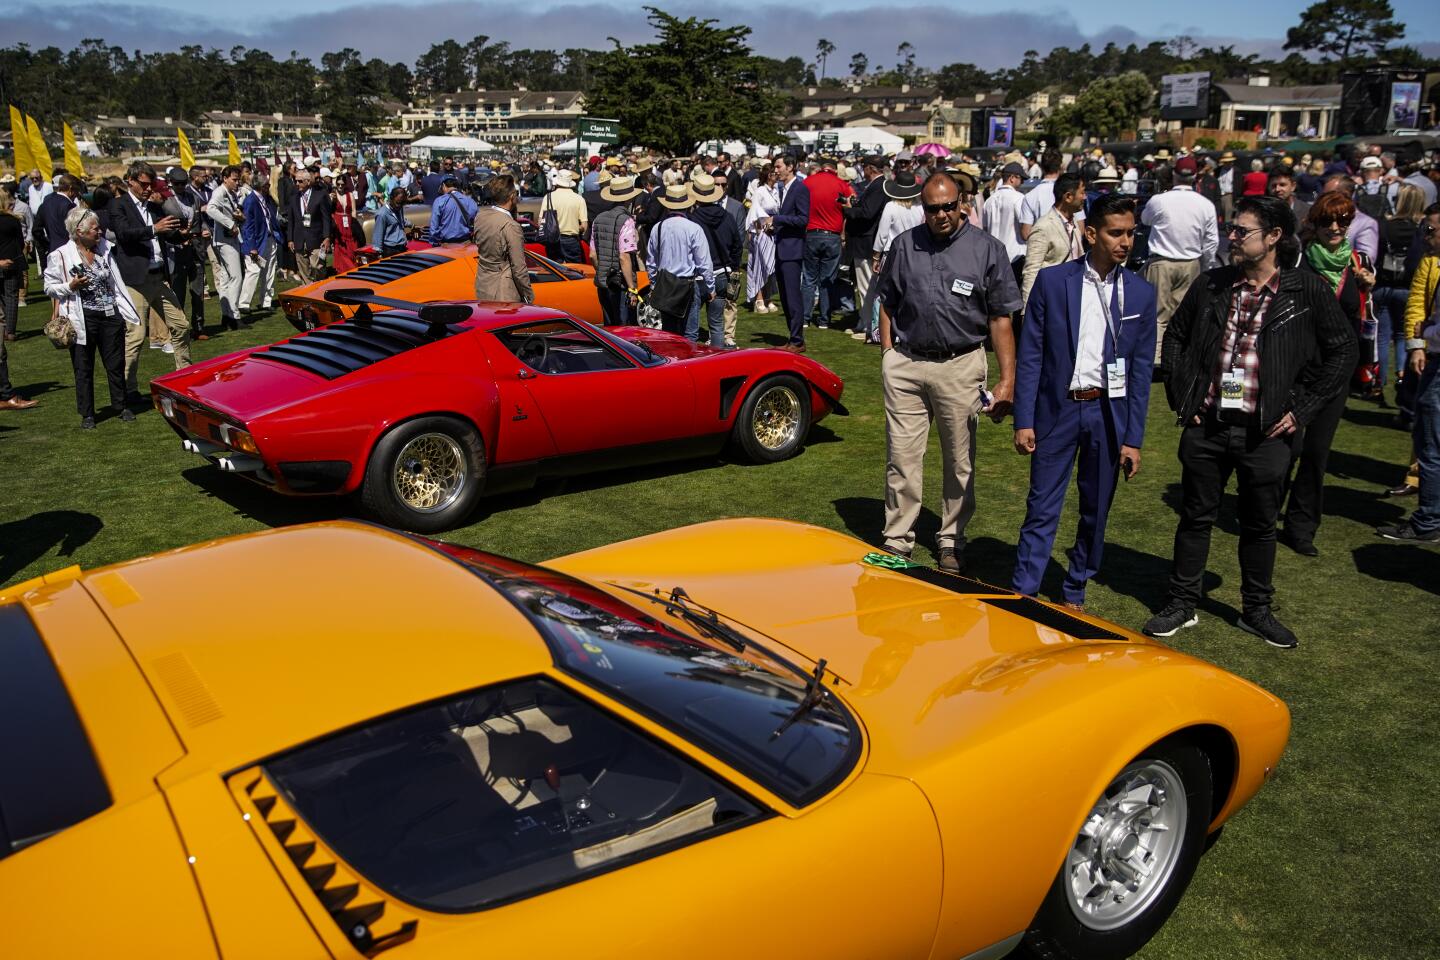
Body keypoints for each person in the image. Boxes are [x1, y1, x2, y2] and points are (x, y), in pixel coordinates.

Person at [1145, 195, 1356, 648]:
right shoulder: (1214, 284)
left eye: (1243, 231)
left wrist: (1301, 409)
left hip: (1266, 432)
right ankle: (1182, 602)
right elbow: (1177, 339)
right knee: (1195, 516)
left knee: (1259, 524)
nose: (1233, 238)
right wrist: (1186, 396)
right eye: (1233, 229)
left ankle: (1256, 609)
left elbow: (1343, 351)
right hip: (1209, 425)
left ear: (1274, 237)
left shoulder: (1307, 290)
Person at [1012, 193, 1158, 609]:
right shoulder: (1054, 281)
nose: (1125, 242)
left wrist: (1133, 438)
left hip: (1108, 415)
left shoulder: (1141, 294)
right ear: (1090, 233)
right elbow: (1032, 355)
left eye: (1131, 233)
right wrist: (1025, 419)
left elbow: (1141, 372)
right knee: (1042, 507)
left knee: (1096, 510)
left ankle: (1075, 587)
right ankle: (1023, 590)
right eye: (1116, 233)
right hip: (1056, 412)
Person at [874, 170, 1022, 572]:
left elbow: (1001, 319)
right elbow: (887, 300)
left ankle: (951, 539)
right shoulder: (905, 245)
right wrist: (888, 353)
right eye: (932, 208)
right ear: (923, 208)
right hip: (906, 364)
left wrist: (1007, 380)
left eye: (947, 207)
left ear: (961, 205)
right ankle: (897, 538)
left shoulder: (987, 249)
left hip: (961, 365)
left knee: (959, 460)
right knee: (902, 457)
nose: (940, 214)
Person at [1276, 192, 1372, 557]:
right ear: (1314, 224)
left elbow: (1360, 318)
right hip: (1297, 368)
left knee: (1317, 452)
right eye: (1328, 221)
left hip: (1337, 371)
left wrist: (1366, 288)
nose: (1335, 228)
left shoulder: (1357, 264)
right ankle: (1266, 510)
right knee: (1289, 445)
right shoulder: (1299, 261)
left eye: (1343, 221)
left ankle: (1302, 526)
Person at [44, 206, 144, 428]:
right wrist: (70, 286)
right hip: (82, 318)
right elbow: (49, 287)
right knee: (83, 366)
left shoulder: (104, 249)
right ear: (79, 231)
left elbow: (114, 282)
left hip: (110, 316)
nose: (100, 232)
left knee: (115, 363)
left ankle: (121, 405)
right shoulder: (60, 255)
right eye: (95, 229)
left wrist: (123, 312)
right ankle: (87, 413)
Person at [1377, 202, 1440, 543]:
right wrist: (1417, 343)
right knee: (1427, 437)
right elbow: (1417, 301)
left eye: (1431, 230)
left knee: (1431, 442)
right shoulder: (1429, 262)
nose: (1425, 236)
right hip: (1432, 357)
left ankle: (1428, 521)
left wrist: (1425, 335)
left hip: (1437, 360)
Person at [109, 161, 192, 401]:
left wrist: (179, 235)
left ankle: (184, 376)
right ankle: (126, 389)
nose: (147, 189)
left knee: (181, 325)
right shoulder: (119, 205)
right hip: (135, 281)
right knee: (135, 335)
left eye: (151, 184)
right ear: (130, 181)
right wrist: (154, 228)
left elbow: (164, 234)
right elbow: (124, 235)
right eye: (143, 184)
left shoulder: (154, 207)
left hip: (158, 277)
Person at [1141, 155, 1219, 369]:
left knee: (1158, 313)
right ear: (1195, 177)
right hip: (1190, 262)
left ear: (1174, 174)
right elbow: (1211, 242)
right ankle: (1177, 356)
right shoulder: (1205, 205)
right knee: (1183, 313)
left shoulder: (1159, 200)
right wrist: (1207, 266)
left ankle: (1157, 359)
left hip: (1162, 261)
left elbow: (1145, 219)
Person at [1373, 183, 1425, 403]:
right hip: (1407, 287)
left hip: (1383, 285)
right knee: (1404, 336)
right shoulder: (1422, 229)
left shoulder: (1384, 226)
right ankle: (1403, 379)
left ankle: (1379, 384)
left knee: (1383, 338)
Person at [646, 184, 712, 339]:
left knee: (670, 333)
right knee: (690, 333)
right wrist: (710, 287)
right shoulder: (693, 228)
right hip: (687, 284)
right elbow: (704, 262)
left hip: (666, 284)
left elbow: (651, 261)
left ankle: (673, 361)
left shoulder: (657, 228)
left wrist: (654, 283)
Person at [799, 156, 854, 329]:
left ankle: (805, 318)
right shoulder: (841, 185)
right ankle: (824, 319)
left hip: (811, 234)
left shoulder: (808, 182)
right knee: (828, 280)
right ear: (835, 170)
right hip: (832, 236)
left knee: (809, 278)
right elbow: (852, 205)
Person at [762, 154, 810, 351]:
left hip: (792, 250)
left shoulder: (800, 188)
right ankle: (794, 337)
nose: (776, 170)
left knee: (792, 297)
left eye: (779, 166)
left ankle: (797, 340)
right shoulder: (784, 189)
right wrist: (774, 226)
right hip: (783, 247)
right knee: (785, 297)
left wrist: (777, 220)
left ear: (790, 167)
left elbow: (802, 219)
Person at [689, 173, 742, 348]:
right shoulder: (727, 217)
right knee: (717, 325)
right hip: (722, 274)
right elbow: (737, 245)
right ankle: (717, 362)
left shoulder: (693, 219)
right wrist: (733, 266)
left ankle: (690, 363)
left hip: (698, 276)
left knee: (692, 328)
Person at [1020, 171, 1086, 306]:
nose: (1084, 197)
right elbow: (1031, 272)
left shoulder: (1074, 224)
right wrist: (1027, 313)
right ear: (1068, 197)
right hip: (1054, 300)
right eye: (1082, 192)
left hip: (1075, 297)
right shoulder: (1043, 227)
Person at [471, 175, 534, 306]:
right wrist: (528, 295)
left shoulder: (481, 217)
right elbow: (519, 268)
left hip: (483, 285)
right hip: (504, 292)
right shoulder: (511, 226)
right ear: (512, 196)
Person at [588, 176, 642, 325]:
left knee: (608, 327)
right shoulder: (627, 221)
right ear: (628, 200)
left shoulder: (598, 218)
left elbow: (592, 255)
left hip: (603, 282)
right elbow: (624, 256)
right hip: (621, 284)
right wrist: (632, 288)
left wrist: (602, 270)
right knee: (623, 329)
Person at [205, 164, 248, 330]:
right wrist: (230, 223)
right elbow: (210, 209)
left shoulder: (229, 193)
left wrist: (238, 218)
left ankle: (226, 315)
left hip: (226, 239)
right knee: (236, 277)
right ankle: (234, 315)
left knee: (225, 279)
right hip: (225, 240)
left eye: (238, 180)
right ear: (225, 178)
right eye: (234, 179)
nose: (237, 183)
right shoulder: (219, 192)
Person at [239, 170, 281, 315]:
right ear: (261, 186)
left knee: (269, 271)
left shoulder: (265, 199)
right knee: (253, 271)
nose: (269, 187)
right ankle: (244, 303)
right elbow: (247, 226)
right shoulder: (251, 201)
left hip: (270, 239)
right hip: (257, 243)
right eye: (267, 185)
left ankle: (266, 301)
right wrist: (252, 247)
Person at [744, 163, 779, 315]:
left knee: (771, 267)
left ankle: (768, 297)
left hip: (774, 232)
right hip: (762, 232)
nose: (777, 175)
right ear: (768, 175)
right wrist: (758, 230)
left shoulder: (776, 190)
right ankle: (758, 298)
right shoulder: (760, 191)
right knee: (761, 265)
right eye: (774, 173)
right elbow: (755, 212)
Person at [982, 161, 1027, 277]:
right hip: (1014, 258)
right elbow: (1025, 228)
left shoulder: (989, 201)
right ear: (1012, 178)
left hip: (994, 258)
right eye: (1021, 179)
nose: (1022, 182)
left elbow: (985, 230)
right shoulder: (1020, 198)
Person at [287, 169, 331, 283]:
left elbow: (326, 218)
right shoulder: (294, 197)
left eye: (300, 181)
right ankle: (309, 293)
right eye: (295, 181)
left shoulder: (320, 196)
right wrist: (290, 239)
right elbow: (291, 220)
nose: (297, 184)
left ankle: (320, 286)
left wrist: (327, 237)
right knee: (303, 271)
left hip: (316, 239)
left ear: (307, 181)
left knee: (318, 267)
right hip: (299, 240)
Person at [540, 170, 588, 264]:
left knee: (555, 271)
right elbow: (584, 226)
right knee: (576, 271)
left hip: (552, 240)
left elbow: (541, 222)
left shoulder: (548, 197)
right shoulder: (579, 199)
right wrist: (573, 226)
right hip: (571, 240)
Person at [32, 174, 79, 268]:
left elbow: (36, 230)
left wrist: (47, 245)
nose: (76, 194)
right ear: (70, 189)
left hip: (53, 252)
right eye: (76, 191)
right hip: (70, 253)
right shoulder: (70, 206)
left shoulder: (45, 204)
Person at [330, 172, 362, 273]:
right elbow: (330, 210)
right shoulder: (333, 194)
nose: (340, 186)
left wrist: (353, 222)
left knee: (352, 245)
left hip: (349, 222)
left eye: (342, 184)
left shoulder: (350, 195)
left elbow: (353, 210)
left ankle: (352, 265)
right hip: (338, 222)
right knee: (340, 245)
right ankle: (344, 268)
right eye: (338, 184)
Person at [372, 186, 410, 259]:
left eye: (402, 203)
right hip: (390, 250)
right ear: (391, 198)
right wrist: (379, 254)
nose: (399, 206)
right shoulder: (382, 214)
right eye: (397, 203)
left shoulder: (399, 208)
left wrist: (411, 225)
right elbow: (378, 234)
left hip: (402, 247)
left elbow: (400, 221)